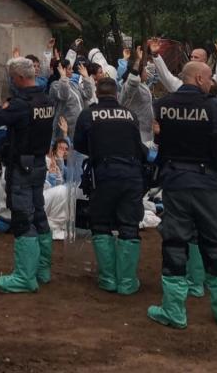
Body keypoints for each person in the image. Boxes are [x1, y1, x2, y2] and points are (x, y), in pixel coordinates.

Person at [147, 61, 217, 330]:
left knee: (175, 242)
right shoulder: (214, 106)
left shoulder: (162, 105)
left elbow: (150, 131)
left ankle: (174, 312)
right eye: (210, 77)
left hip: (175, 182)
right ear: (199, 78)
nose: (212, 81)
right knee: (214, 241)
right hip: (209, 183)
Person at [0, 56, 55, 293]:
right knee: (39, 214)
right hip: (39, 165)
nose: (11, 82)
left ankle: (25, 276)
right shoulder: (46, 100)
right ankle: (42, 269)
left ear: (20, 78)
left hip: (22, 167)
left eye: (13, 78)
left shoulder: (20, 104)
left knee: (23, 217)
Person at [73, 76, 147, 295]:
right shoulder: (130, 115)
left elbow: (78, 144)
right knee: (129, 225)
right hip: (132, 175)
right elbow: (139, 146)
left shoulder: (88, 114)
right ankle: (127, 282)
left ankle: (108, 279)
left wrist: (98, 151)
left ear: (97, 91)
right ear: (116, 93)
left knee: (101, 223)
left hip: (104, 174)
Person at [119, 46, 155, 147]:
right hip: (136, 132)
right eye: (144, 70)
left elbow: (152, 74)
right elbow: (132, 80)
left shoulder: (142, 85)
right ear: (138, 73)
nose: (146, 73)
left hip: (147, 131)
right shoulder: (130, 87)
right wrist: (137, 61)